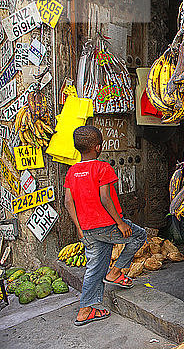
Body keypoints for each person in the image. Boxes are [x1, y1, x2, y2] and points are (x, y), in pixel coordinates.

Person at [64, 125, 147, 326]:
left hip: (87, 229)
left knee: (94, 266)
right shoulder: (103, 168)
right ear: (98, 148)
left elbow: (68, 201)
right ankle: (116, 272)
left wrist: (78, 226)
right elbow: (105, 197)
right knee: (139, 236)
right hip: (107, 225)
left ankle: (85, 310)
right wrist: (119, 223)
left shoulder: (72, 171)